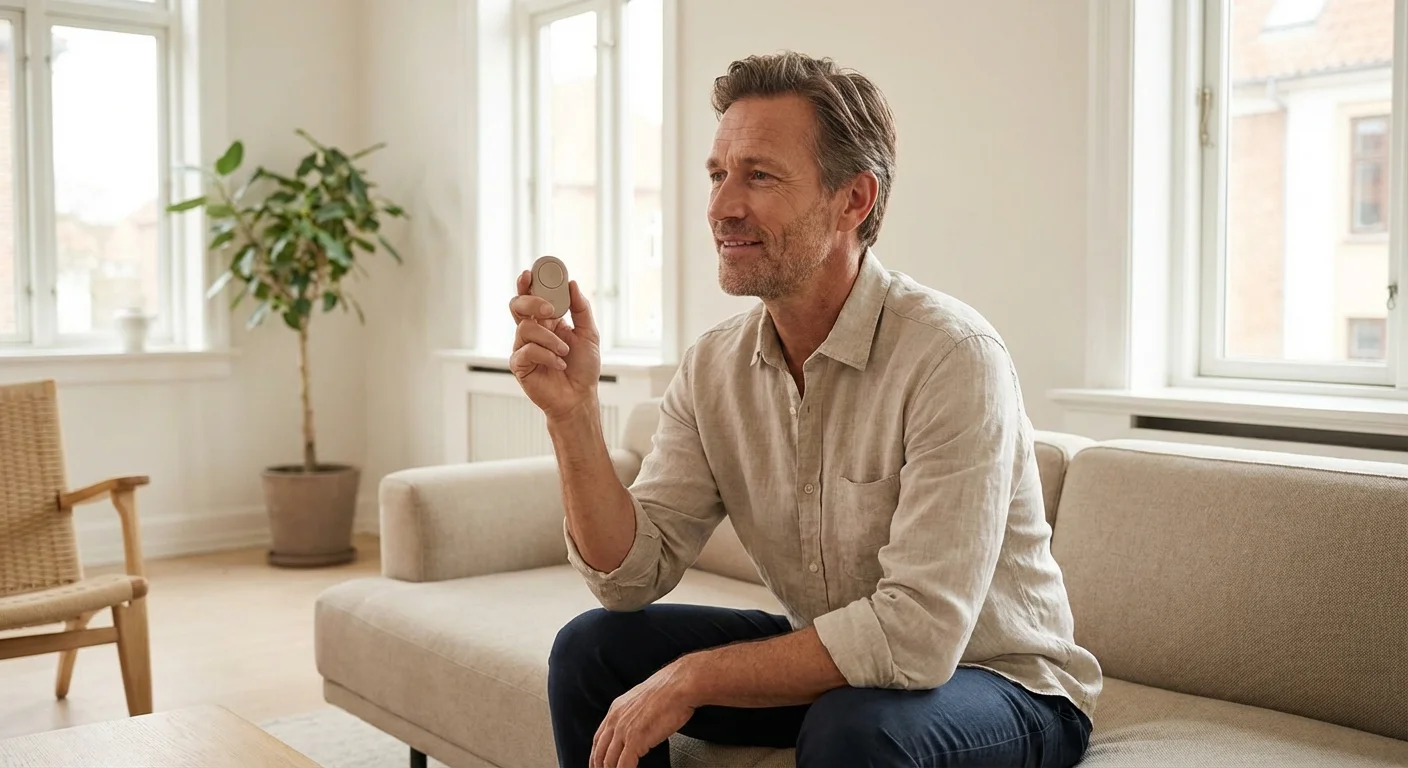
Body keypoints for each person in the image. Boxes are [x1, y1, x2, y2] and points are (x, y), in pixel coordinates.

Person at [508, 51, 1101, 768]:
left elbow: (916, 634)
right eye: (718, 173)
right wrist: (573, 418)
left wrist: (692, 676)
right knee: (591, 651)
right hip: (850, 665)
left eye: (759, 175)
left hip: (1003, 683)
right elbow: (629, 577)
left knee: (855, 730)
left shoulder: (952, 356)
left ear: (853, 200)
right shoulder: (713, 367)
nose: (723, 205)